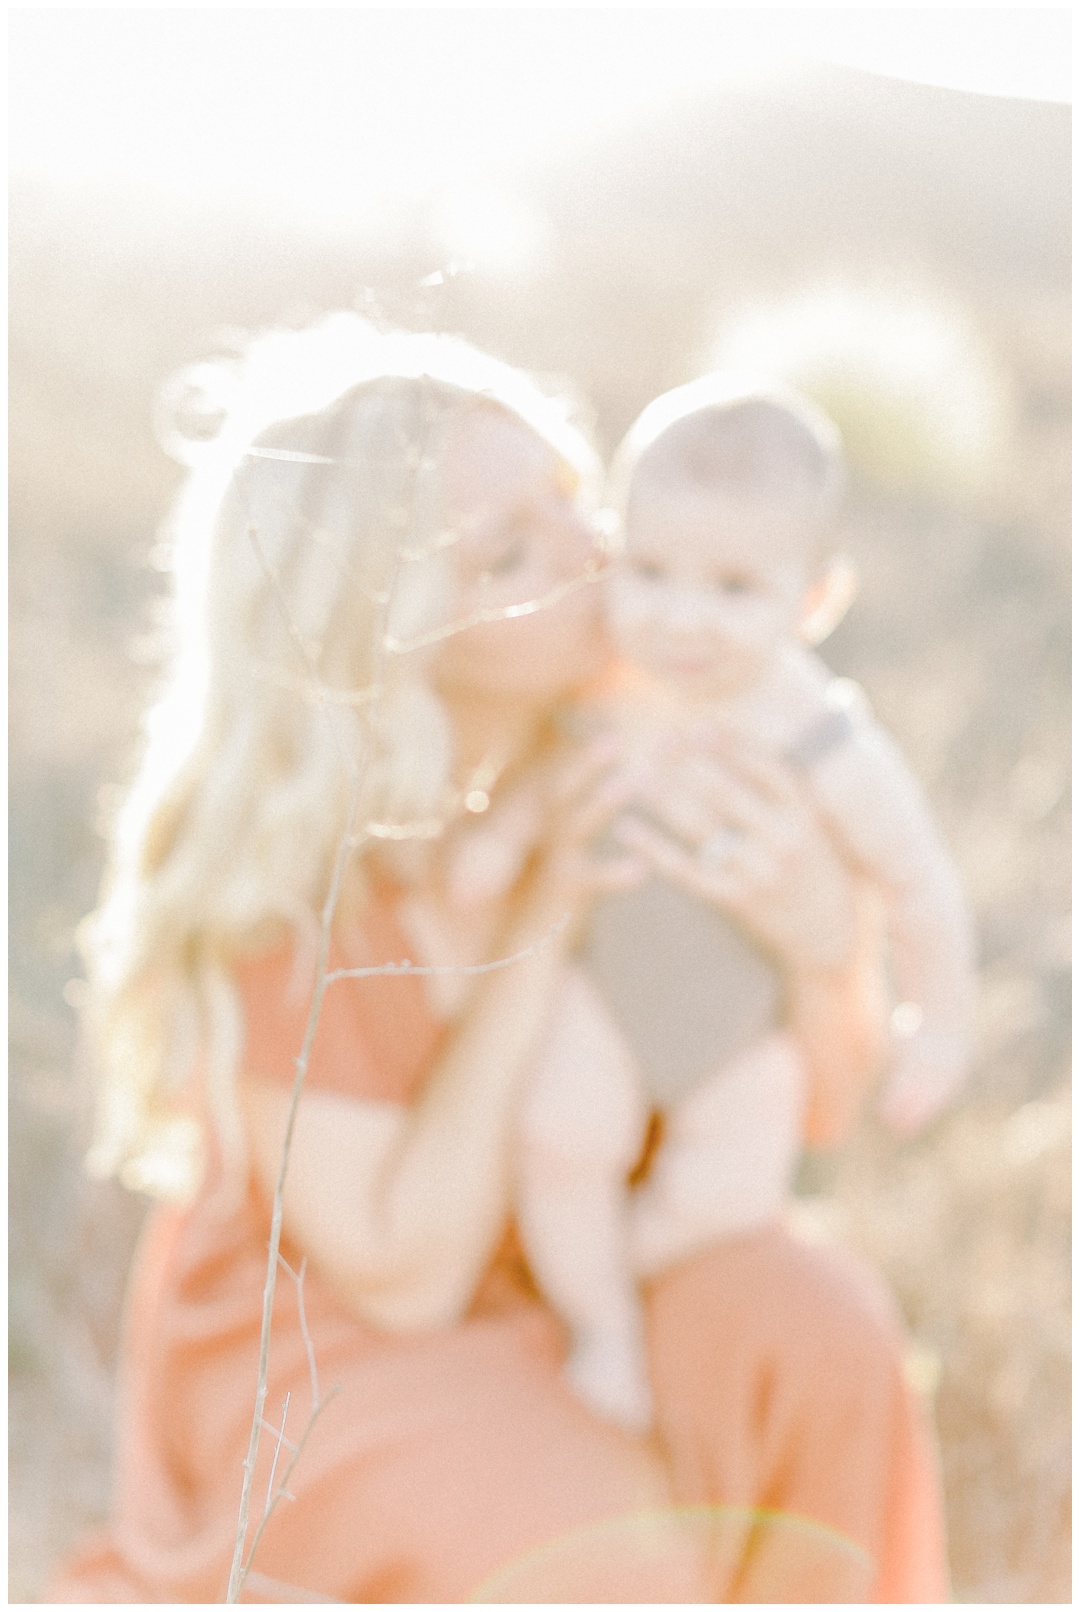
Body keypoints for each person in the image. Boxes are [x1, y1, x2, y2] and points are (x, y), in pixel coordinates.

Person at [50, 316, 949, 1604]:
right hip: (343, 1337)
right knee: (589, 1556)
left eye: (572, 499)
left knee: (820, 1328)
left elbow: (820, 1111)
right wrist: (539, 923)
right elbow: (407, 1275)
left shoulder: (649, 740)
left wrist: (821, 948)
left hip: (598, 1258)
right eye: (512, 553)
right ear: (391, 632)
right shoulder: (284, 884)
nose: (594, 551)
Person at [502, 375, 977, 1434]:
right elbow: (525, 778)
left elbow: (920, 884)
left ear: (815, 600)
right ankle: (600, 1332)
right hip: (605, 982)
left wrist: (938, 1030)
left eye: (733, 588)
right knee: (558, 1132)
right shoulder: (605, 681)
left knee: (735, 1189)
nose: (682, 619)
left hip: (741, 1023)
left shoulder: (821, 738)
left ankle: (628, 1267)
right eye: (652, 572)